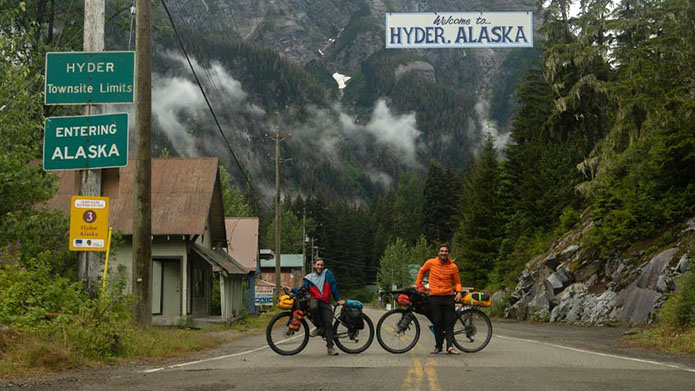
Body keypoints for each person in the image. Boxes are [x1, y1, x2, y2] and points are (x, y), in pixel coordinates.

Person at [286, 258, 345, 356]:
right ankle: (319, 327)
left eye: (321, 265)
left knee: (328, 323)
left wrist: (338, 299)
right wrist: (292, 290)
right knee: (313, 306)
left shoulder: (328, 274)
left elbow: (333, 287)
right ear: (314, 266)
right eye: (318, 265)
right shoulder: (309, 278)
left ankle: (330, 347)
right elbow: (303, 290)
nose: (320, 267)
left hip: (325, 302)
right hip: (315, 300)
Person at [415, 243, 462, 355]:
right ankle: (438, 346)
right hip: (434, 297)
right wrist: (418, 284)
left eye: (445, 251)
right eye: (442, 251)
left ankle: (450, 347)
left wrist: (459, 291)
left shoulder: (453, 267)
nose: (443, 253)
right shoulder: (431, 262)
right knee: (437, 322)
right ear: (438, 252)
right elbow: (422, 271)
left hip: (448, 297)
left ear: (448, 253)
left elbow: (457, 282)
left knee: (449, 322)